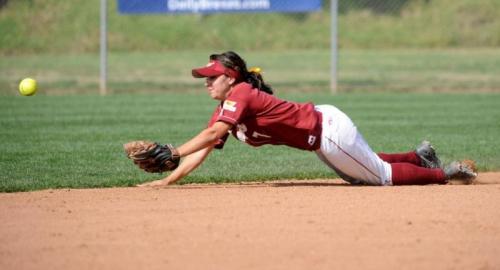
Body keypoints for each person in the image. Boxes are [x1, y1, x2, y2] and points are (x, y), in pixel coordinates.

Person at [138, 51, 477, 187]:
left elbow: (211, 134)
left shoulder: (240, 93)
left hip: (326, 132)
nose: (208, 82)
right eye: (206, 78)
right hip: (325, 129)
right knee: (363, 168)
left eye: (213, 77)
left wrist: (174, 151)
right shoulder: (228, 106)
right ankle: (420, 156)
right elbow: (209, 142)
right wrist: (169, 179)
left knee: (380, 179)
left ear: (232, 76)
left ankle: (442, 173)